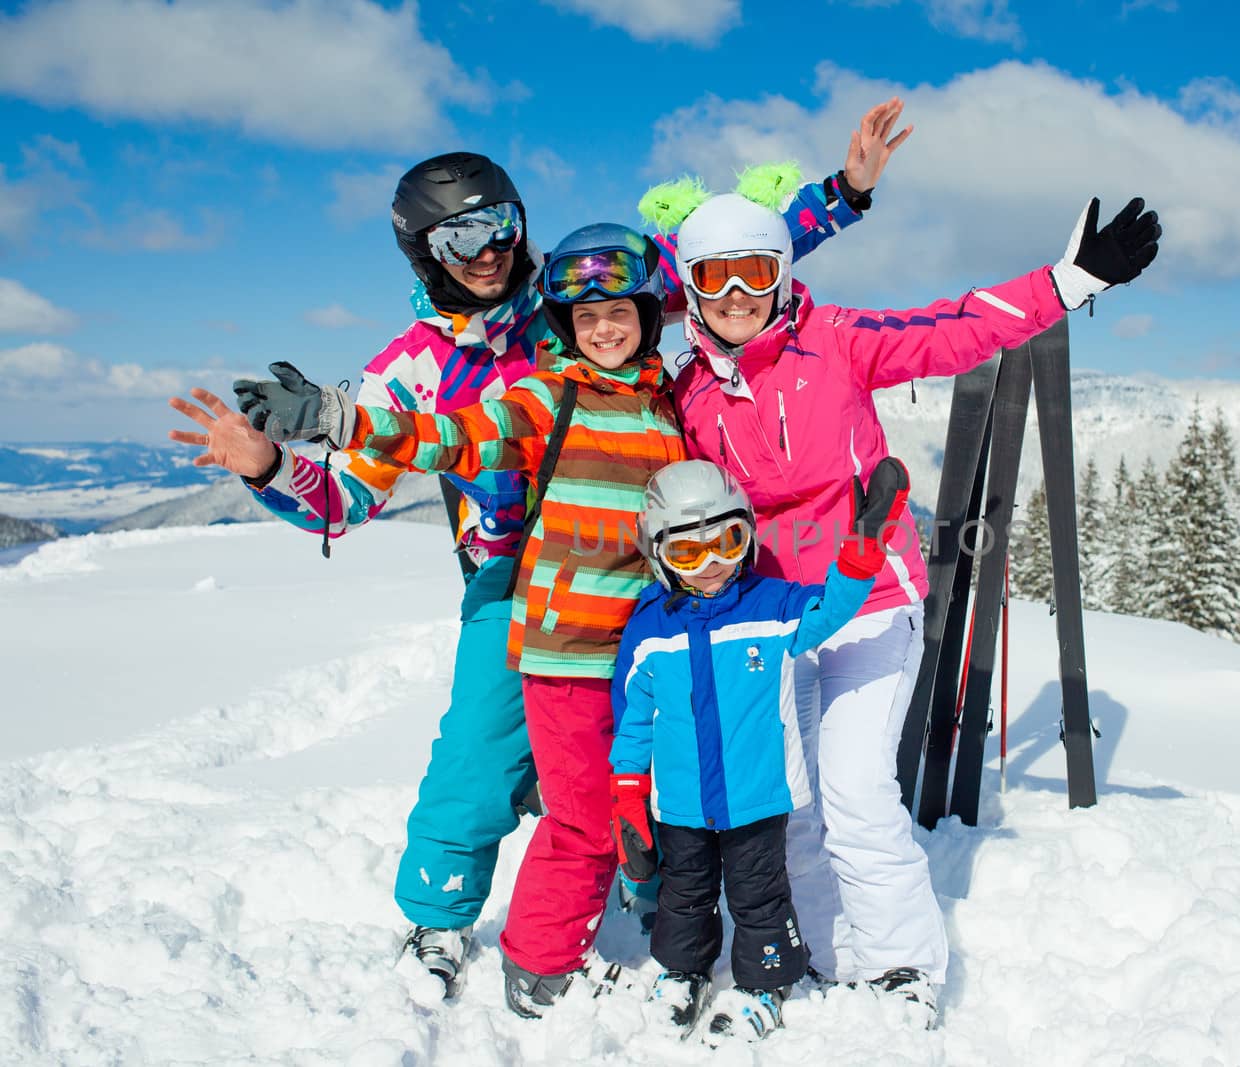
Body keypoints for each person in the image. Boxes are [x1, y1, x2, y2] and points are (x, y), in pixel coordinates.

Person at [165, 101, 908, 999]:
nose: (485, 249)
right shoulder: (416, 365)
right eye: (458, 236)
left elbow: (730, 265)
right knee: (483, 755)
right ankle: (440, 920)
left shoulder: (576, 289)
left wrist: (848, 190)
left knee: (650, 752)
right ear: (423, 251)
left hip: (643, 573)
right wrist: (273, 464)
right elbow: (345, 496)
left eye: (499, 225)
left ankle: (644, 896)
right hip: (516, 574)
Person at [658, 182, 1162, 1022]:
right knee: (792, 802)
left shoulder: (836, 340)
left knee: (854, 787)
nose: (739, 296)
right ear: (693, 289)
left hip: (869, 601)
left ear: (783, 275)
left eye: (756, 272)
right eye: (717, 277)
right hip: (771, 616)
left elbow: (954, 326)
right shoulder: (687, 394)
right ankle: (824, 947)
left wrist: (1069, 281)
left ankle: (901, 966)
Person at [607, 457, 909, 1042]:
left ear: (747, 533)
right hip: (681, 803)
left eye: (727, 541)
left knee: (758, 894)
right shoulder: (649, 626)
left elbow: (830, 611)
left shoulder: (769, 606)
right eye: (690, 553)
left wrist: (861, 552)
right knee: (684, 894)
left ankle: (764, 981)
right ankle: (684, 972)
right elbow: (634, 717)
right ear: (658, 556)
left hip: (757, 796)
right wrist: (627, 789)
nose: (713, 564)